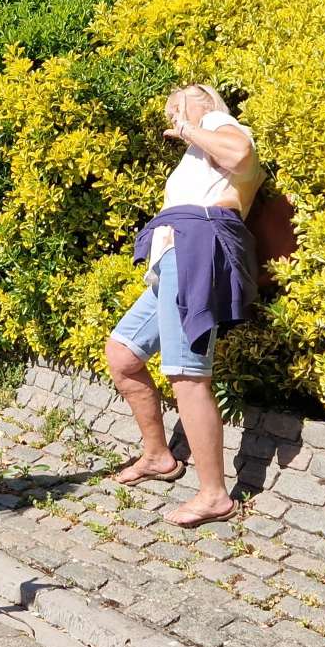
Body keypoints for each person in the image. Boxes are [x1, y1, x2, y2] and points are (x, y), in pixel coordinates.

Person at [105, 86, 262, 528]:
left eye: (181, 100)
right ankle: (158, 456)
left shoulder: (215, 124)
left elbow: (240, 154)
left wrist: (192, 125)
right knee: (122, 353)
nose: (172, 108)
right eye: (170, 105)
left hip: (198, 248)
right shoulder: (198, 147)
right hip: (174, 255)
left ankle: (214, 495)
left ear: (206, 101)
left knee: (186, 373)